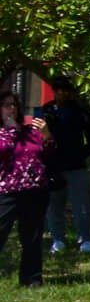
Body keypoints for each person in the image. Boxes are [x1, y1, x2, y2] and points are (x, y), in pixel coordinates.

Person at [37, 76, 90, 254]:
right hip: (53, 165)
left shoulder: (80, 112)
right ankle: (58, 239)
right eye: (59, 90)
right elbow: (37, 135)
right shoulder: (46, 111)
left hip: (75, 165)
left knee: (81, 205)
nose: (63, 94)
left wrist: (81, 154)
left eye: (66, 91)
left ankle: (85, 240)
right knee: (54, 204)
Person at [0, 93, 51, 287]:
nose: (11, 108)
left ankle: (32, 280)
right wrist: (11, 130)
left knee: (32, 237)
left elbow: (48, 151)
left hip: (34, 190)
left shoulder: (30, 131)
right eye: (6, 105)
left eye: (13, 104)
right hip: (7, 190)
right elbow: (4, 150)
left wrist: (46, 134)